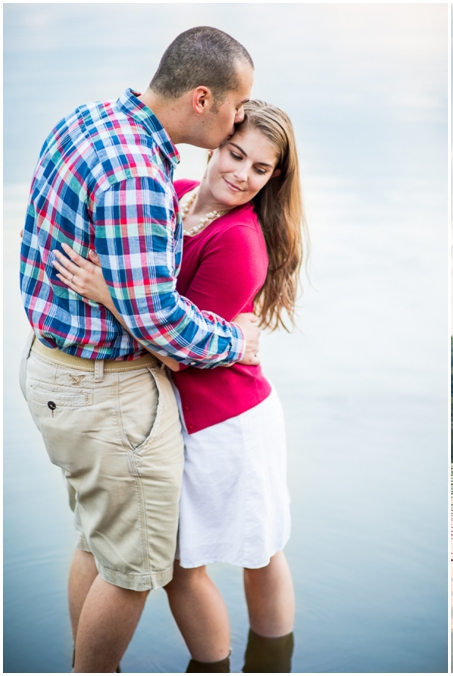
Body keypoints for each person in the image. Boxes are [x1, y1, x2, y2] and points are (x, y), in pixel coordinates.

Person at [19, 27, 260, 673]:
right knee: (133, 570)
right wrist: (232, 341)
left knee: (99, 546)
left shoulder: (88, 120)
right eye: (238, 105)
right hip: (109, 394)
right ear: (203, 99)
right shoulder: (138, 175)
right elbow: (157, 318)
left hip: (51, 368)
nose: (241, 119)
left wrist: (115, 293)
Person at [53, 100, 306, 673]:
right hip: (177, 414)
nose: (241, 174)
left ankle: (270, 660)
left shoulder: (240, 242)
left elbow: (178, 350)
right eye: (236, 154)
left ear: (273, 179)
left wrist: (107, 294)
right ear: (215, 143)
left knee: (253, 550)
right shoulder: (181, 192)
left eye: (260, 169)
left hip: (227, 421)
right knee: (181, 561)